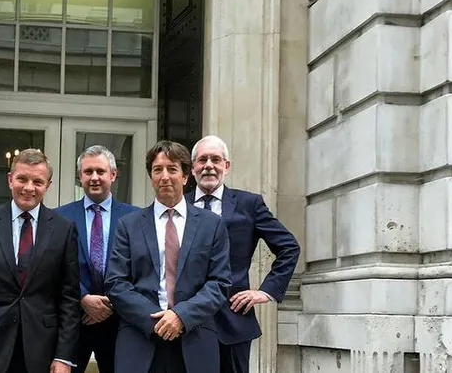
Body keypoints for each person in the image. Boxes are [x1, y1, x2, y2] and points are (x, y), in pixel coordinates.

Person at [105, 141, 231, 373]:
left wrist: (180, 316)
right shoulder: (128, 226)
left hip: (195, 340)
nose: (164, 176)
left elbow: (219, 283)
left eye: (172, 169)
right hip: (140, 339)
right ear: (151, 177)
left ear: (185, 176)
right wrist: (157, 322)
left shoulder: (212, 225)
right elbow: (116, 283)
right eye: (157, 169)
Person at [0, 148, 80, 373]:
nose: (29, 188)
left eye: (38, 181)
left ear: (48, 186)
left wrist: (64, 357)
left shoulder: (64, 229)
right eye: (22, 179)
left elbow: (69, 298)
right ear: (10, 179)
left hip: (43, 350)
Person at [186, 135, 300, 373]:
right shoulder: (179, 205)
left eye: (216, 159)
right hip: (187, 318)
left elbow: (289, 247)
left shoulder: (249, 204)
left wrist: (266, 291)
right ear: (193, 167)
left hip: (233, 318)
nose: (208, 165)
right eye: (202, 160)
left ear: (226, 166)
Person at [56, 145, 141, 373]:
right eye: (88, 172)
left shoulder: (136, 218)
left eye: (100, 172)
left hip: (120, 322)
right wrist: (83, 298)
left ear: (113, 175)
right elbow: (54, 267)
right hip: (74, 322)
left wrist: (109, 304)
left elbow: (140, 268)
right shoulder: (59, 217)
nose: (94, 178)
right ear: (80, 176)